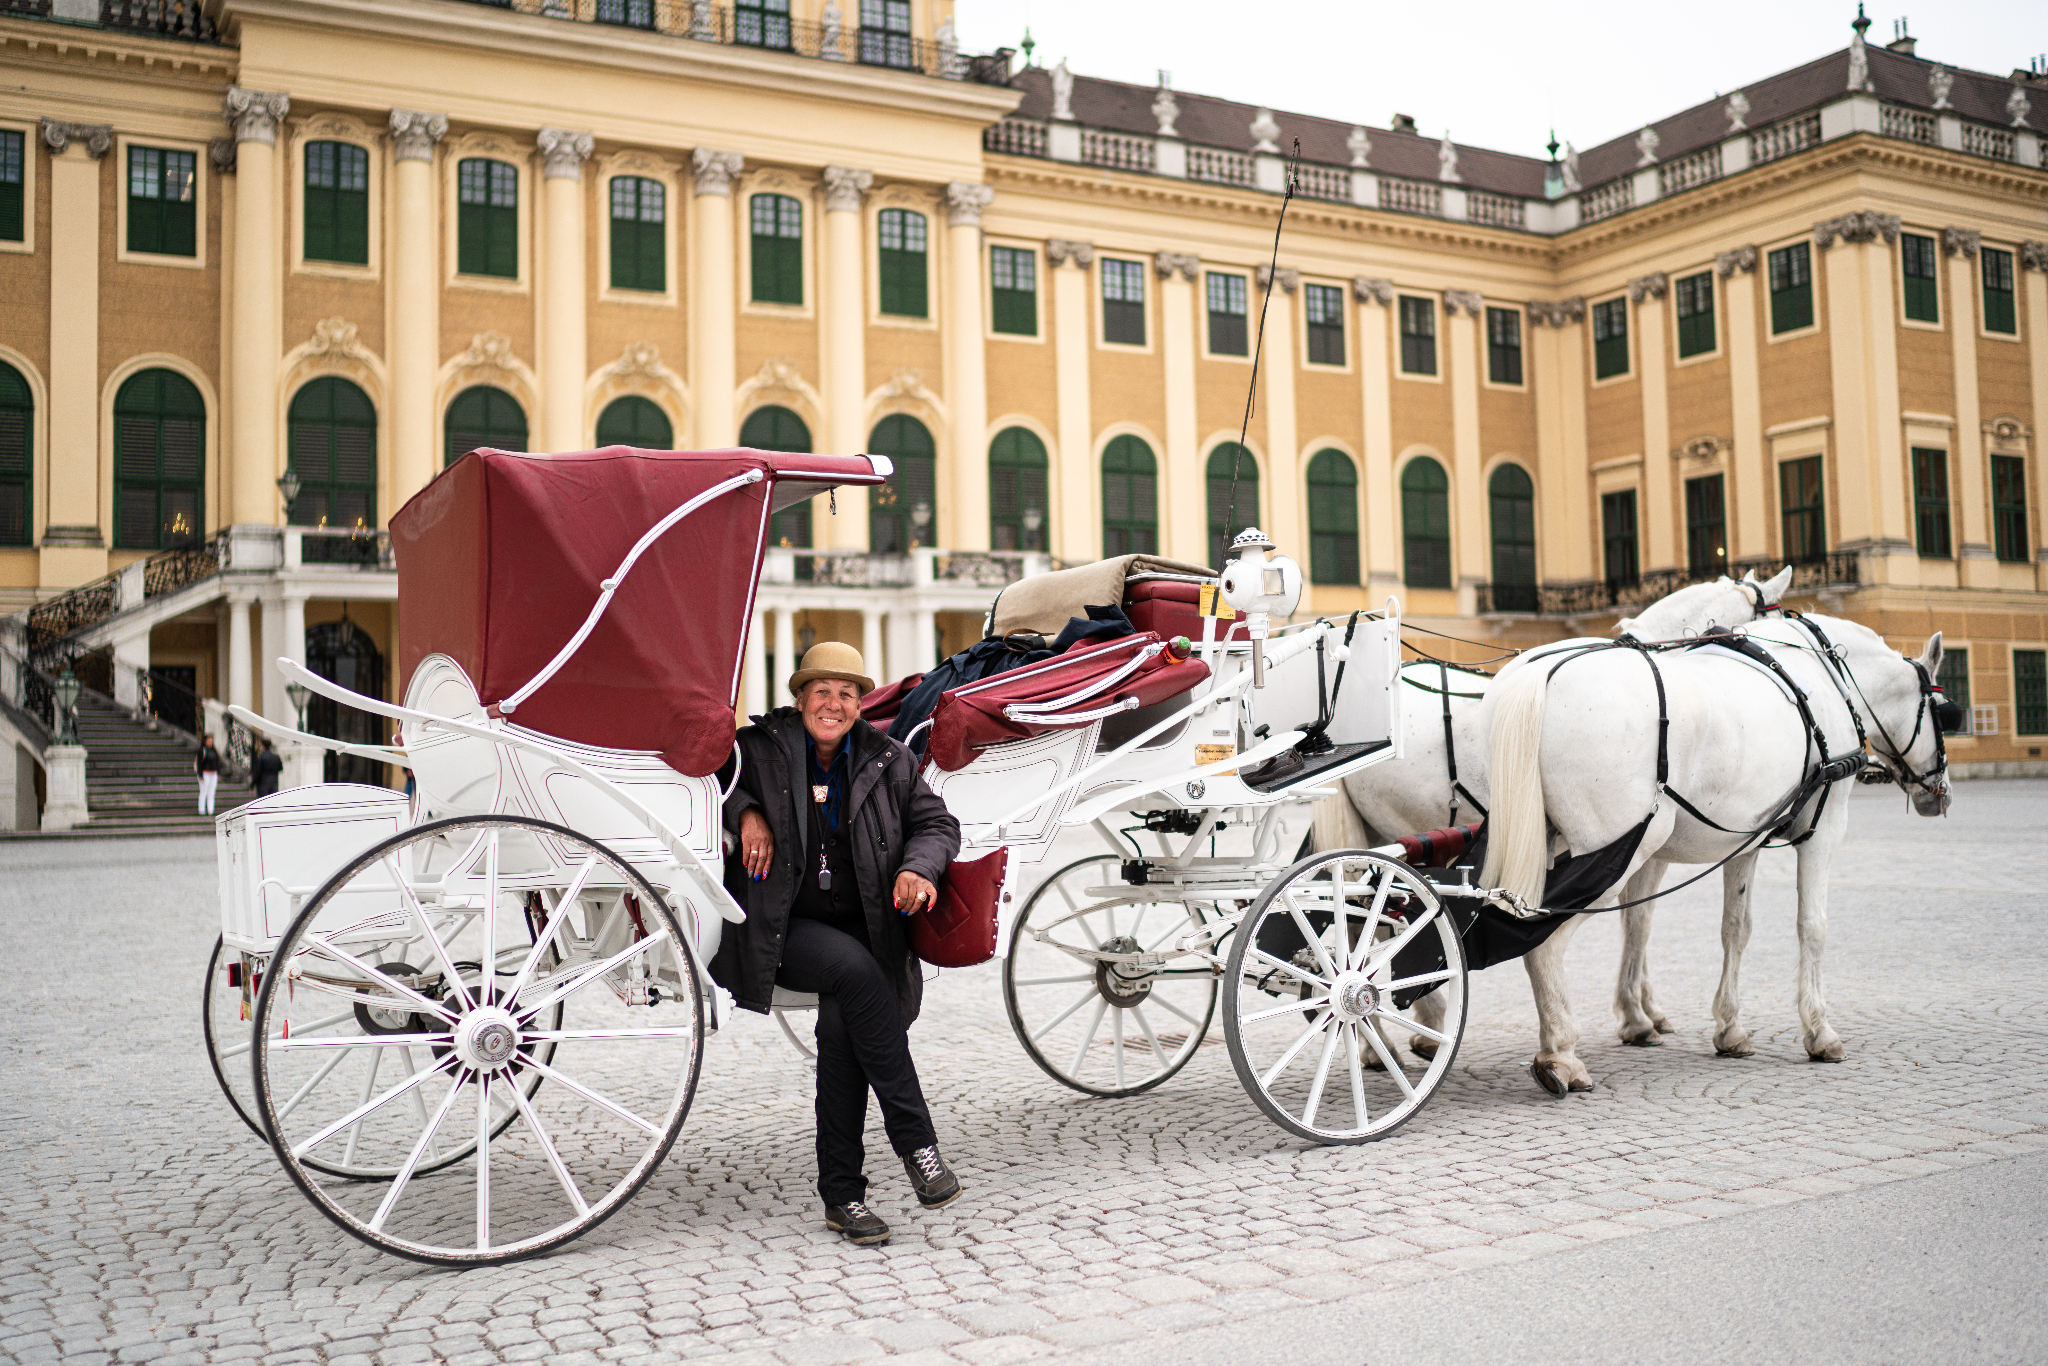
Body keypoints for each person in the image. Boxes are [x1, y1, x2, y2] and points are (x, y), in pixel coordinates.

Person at [716, 641, 962, 1247]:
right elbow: (714, 780)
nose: (833, 704)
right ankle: (918, 1144)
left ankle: (843, 1197)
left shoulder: (889, 758)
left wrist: (918, 869)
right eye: (821, 691)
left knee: (843, 1033)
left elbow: (938, 825)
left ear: (859, 704)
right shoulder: (759, 749)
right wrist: (746, 812)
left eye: (846, 693)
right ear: (800, 698)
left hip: (864, 924)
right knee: (858, 974)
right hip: (783, 927)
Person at [196, 734, 222, 815]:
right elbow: (199, 764)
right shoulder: (202, 751)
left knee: (211, 792)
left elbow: (217, 763)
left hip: (213, 774)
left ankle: (211, 810)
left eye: (211, 741)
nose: (210, 743)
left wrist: (218, 773)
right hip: (205, 773)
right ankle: (202, 810)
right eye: (209, 741)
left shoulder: (214, 751)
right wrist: (200, 775)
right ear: (205, 741)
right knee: (203, 792)